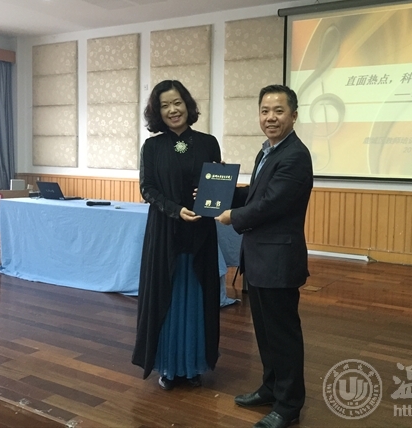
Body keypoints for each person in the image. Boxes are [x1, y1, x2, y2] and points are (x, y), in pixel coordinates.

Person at [216, 84, 313, 428]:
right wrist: (224, 190)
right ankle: (271, 388)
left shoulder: (295, 155)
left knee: (283, 335)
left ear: (293, 116)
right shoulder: (267, 151)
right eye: (265, 111)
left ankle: (289, 405)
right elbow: (257, 194)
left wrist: (232, 216)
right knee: (266, 333)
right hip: (259, 259)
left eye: (278, 111)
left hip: (278, 261)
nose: (270, 117)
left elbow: (271, 205)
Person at [132, 79, 221, 390]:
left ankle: (193, 365)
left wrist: (215, 189)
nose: (173, 110)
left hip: (200, 234)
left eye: (177, 102)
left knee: (196, 298)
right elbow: (147, 189)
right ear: (157, 112)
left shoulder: (209, 142)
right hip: (165, 233)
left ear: (187, 105)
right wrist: (175, 209)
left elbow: (217, 183)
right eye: (165, 105)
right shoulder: (152, 147)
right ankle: (168, 367)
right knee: (166, 297)